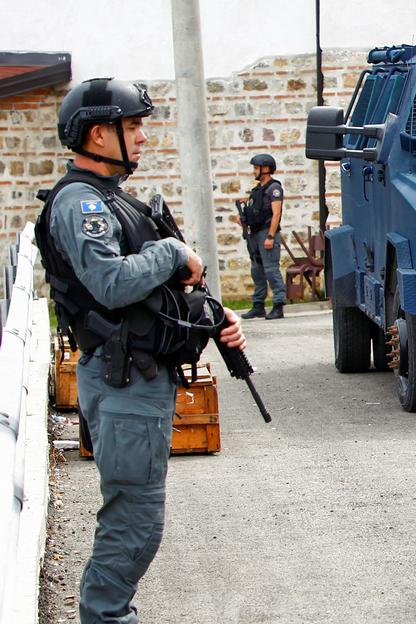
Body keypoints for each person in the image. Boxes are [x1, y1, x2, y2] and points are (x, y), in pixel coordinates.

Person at [37, 77, 246, 624]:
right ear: (99, 134)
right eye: (133, 127)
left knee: (138, 523)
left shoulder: (112, 198)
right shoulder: (80, 202)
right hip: (121, 380)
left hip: (139, 378)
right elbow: (110, 283)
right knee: (132, 525)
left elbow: (153, 295)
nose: (143, 137)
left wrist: (210, 314)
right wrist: (174, 250)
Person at [240, 153, 286, 320]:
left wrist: (271, 236)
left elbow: (276, 214)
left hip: (267, 233)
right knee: (256, 270)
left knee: (271, 270)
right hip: (255, 234)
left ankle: (278, 305)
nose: (254, 171)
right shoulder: (256, 190)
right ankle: (258, 305)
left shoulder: (274, 189)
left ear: (266, 169)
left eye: (256, 168)